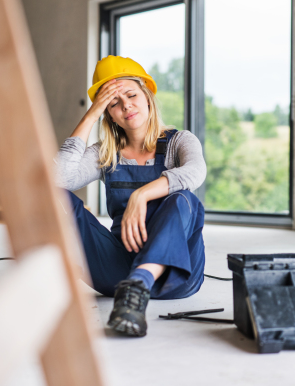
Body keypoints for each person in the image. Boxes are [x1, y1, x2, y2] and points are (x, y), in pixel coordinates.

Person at [54, 55, 207, 337]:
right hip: (119, 271)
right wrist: (90, 114)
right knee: (57, 199)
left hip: (177, 275)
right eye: (113, 103)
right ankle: (133, 286)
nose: (126, 106)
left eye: (131, 95)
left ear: (147, 97)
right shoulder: (105, 153)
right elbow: (58, 180)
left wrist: (141, 195)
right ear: (108, 113)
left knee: (185, 199)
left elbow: (196, 172)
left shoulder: (180, 141)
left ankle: (141, 280)